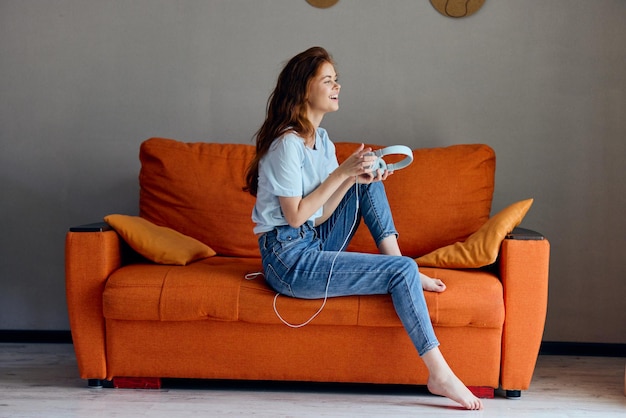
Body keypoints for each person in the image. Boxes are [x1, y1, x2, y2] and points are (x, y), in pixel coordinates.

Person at [244, 46, 483, 410]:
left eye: (337, 80)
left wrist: (355, 176)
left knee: (368, 182)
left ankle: (402, 266)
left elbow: (320, 216)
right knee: (401, 270)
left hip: (310, 239)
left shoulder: (320, 140)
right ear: (304, 89)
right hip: (287, 259)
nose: (337, 86)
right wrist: (342, 172)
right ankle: (440, 374)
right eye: (327, 81)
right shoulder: (286, 146)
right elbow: (295, 217)